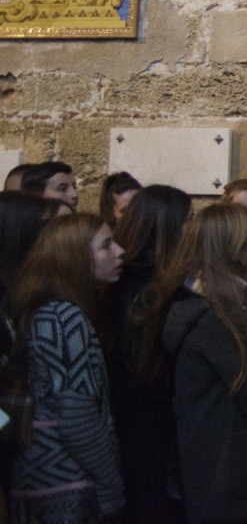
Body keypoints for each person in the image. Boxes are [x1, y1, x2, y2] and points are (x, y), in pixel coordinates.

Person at [159, 203, 247, 524]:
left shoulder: (194, 301)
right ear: (233, 247)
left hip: (216, 469)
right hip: (232, 474)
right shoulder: (220, 316)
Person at [8, 213, 125, 521]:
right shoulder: (64, 318)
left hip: (41, 481)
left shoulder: (44, 311)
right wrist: (112, 484)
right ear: (75, 258)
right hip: (67, 487)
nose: (120, 251)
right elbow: (77, 416)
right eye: (106, 246)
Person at [108, 184, 192, 523]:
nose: (193, 228)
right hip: (147, 424)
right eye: (188, 220)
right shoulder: (144, 288)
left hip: (149, 420)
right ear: (166, 227)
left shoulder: (147, 282)